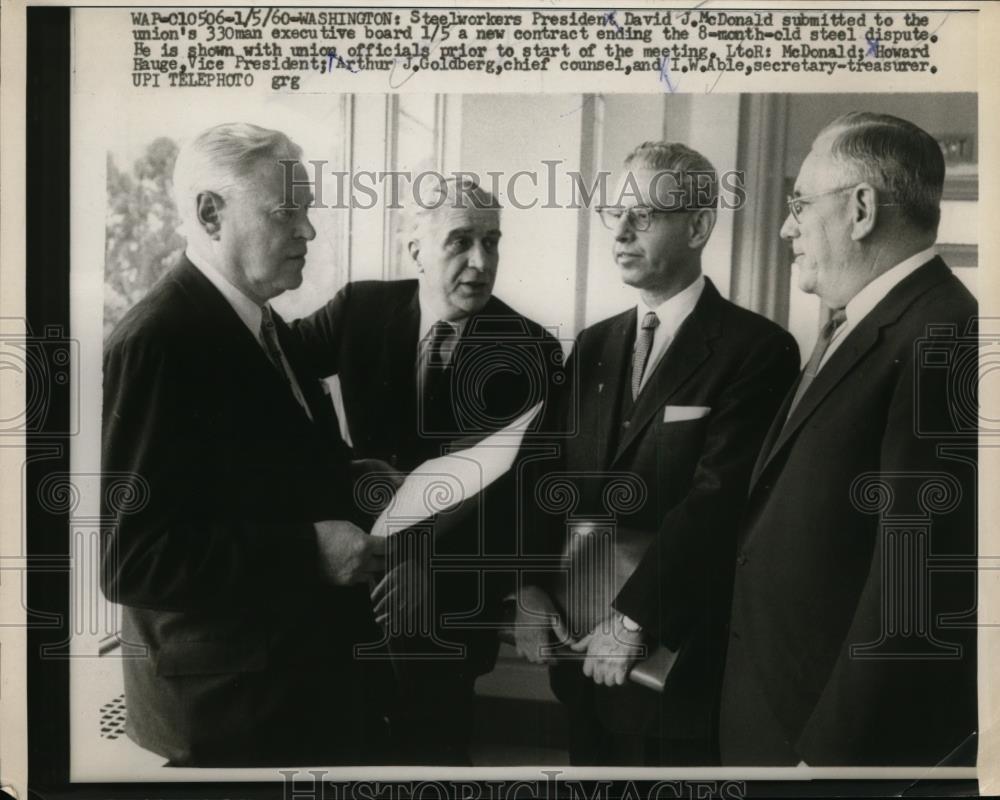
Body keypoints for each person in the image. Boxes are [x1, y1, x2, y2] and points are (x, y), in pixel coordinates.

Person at [101, 123, 389, 767]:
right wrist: (307, 550)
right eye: (286, 212)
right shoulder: (157, 341)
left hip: (290, 686)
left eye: (307, 211)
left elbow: (252, 474)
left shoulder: (265, 324)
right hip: (230, 712)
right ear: (211, 213)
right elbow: (131, 558)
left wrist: (351, 475)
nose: (308, 231)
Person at [514, 142, 800, 765]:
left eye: (643, 215)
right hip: (577, 649)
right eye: (615, 212)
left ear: (698, 225)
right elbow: (543, 475)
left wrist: (634, 621)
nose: (619, 230)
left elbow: (718, 502)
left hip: (676, 660)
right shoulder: (593, 344)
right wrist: (530, 590)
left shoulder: (757, 350)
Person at [719, 112, 978, 766]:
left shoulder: (944, 336)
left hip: (826, 746)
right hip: (777, 715)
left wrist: (829, 757)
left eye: (800, 204)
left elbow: (913, 583)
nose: (786, 227)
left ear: (861, 209)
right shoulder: (864, 324)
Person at [289, 177, 563, 764]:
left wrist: (424, 561)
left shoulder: (530, 348)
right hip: (356, 585)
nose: (481, 262)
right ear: (413, 248)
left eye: (492, 241)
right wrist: (338, 468)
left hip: (452, 600)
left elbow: (523, 495)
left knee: (433, 755)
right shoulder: (359, 307)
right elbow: (272, 376)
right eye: (460, 241)